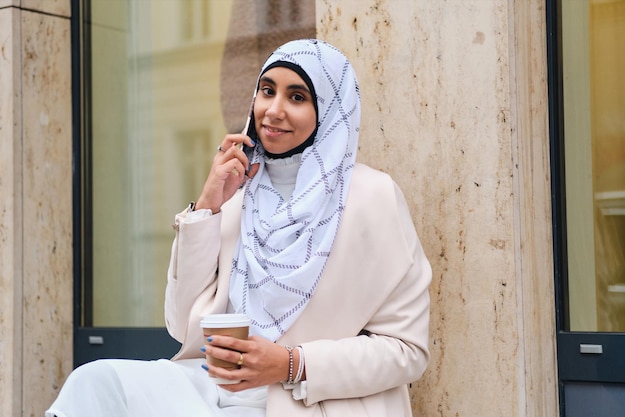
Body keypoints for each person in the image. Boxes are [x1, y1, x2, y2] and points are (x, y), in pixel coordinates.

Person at [46, 38, 431, 417]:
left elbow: (407, 351)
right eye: (267, 91)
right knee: (95, 383)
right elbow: (182, 327)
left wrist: (290, 363)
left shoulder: (372, 198)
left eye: (297, 97)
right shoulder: (240, 194)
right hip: (213, 389)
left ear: (329, 110)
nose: (274, 111)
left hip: (306, 399)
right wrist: (208, 207)